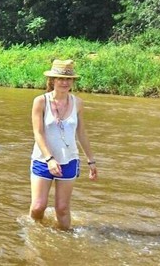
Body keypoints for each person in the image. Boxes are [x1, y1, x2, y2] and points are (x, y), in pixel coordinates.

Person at [29, 59, 98, 230]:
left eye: (68, 79)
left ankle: (66, 240)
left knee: (62, 209)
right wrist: (49, 158)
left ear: (72, 82)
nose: (64, 82)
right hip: (42, 160)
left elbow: (81, 132)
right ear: (52, 80)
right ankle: (34, 234)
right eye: (60, 79)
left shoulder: (78, 103)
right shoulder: (40, 101)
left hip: (69, 160)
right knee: (38, 206)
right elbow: (38, 132)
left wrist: (91, 160)